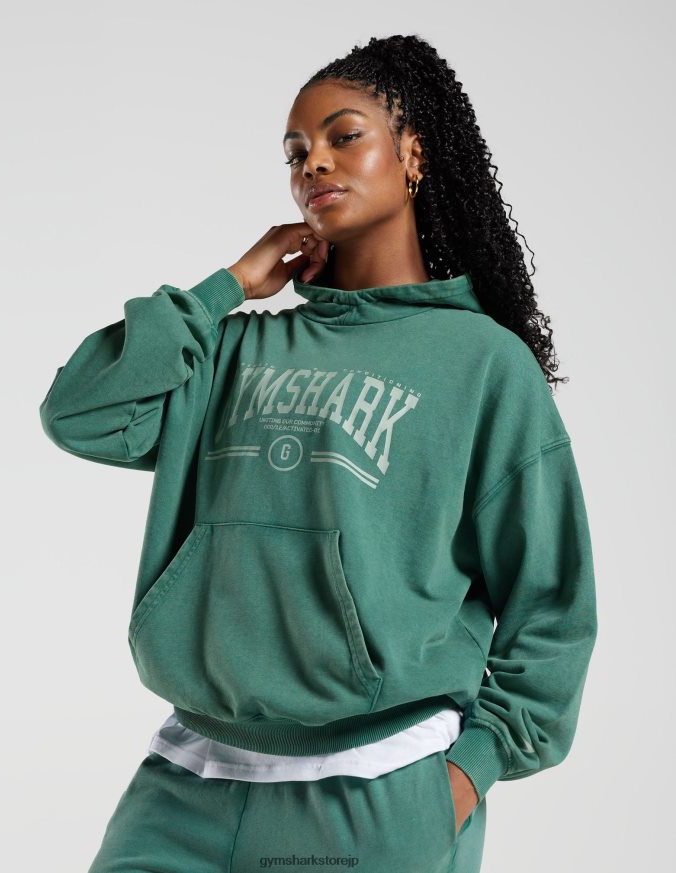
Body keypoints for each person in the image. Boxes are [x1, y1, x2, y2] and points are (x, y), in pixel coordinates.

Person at [39, 33, 598, 873]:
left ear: (413, 154)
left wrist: (464, 775)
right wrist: (228, 285)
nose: (314, 164)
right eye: (296, 152)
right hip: (187, 779)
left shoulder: (482, 364)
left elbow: (552, 601)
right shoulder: (235, 349)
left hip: (376, 793)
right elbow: (78, 411)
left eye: (344, 136)